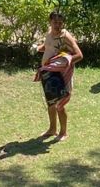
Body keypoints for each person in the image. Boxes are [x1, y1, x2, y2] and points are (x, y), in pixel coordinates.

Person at [34, 11, 83, 141]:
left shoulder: (65, 36)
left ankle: (63, 132)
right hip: (48, 74)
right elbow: (48, 47)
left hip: (61, 74)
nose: (58, 25)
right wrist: (38, 48)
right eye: (55, 22)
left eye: (60, 22)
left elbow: (79, 55)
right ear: (50, 22)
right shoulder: (49, 33)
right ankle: (52, 129)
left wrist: (62, 61)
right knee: (51, 103)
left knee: (60, 103)